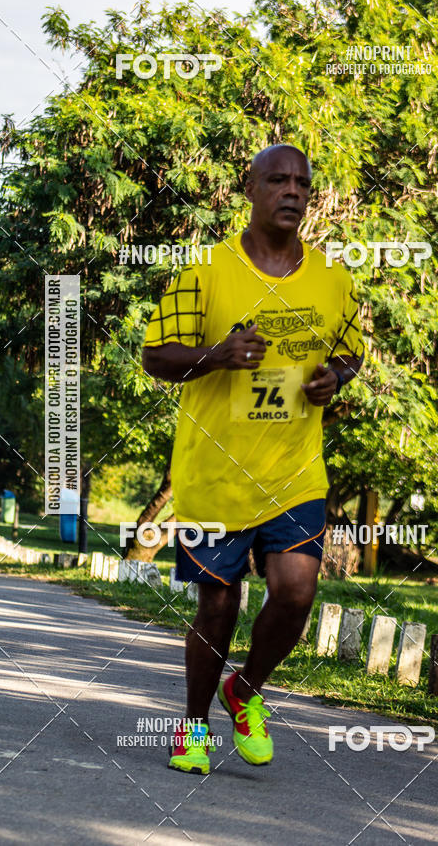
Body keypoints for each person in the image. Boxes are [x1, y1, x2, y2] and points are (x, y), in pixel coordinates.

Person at [142, 144, 365, 774]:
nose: (292, 191)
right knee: (218, 603)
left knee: (296, 592)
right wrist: (215, 355)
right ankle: (192, 727)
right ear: (250, 188)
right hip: (214, 474)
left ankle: (246, 688)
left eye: (301, 182)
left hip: (294, 471)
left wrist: (334, 379)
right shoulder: (207, 272)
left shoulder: (331, 278)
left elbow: (352, 352)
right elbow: (154, 358)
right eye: (277, 180)